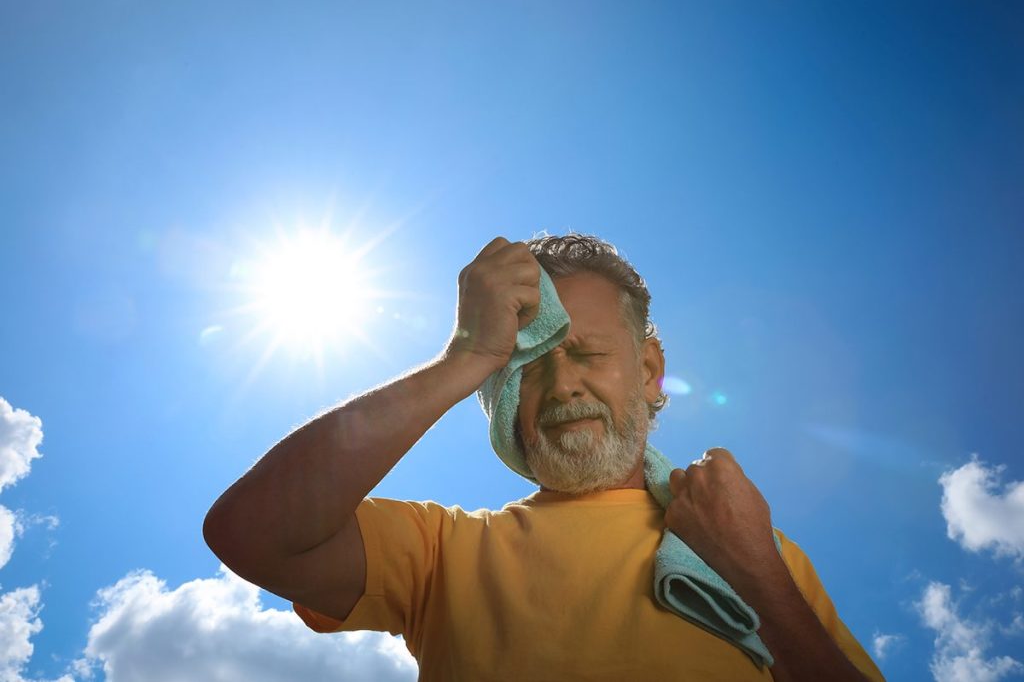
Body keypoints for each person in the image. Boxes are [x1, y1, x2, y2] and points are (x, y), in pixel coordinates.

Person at [204, 234, 885, 681]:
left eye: (589, 352)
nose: (562, 386)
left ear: (651, 370)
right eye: (525, 367)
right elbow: (250, 532)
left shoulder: (761, 553)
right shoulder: (441, 553)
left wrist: (758, 571)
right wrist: (467, 355)